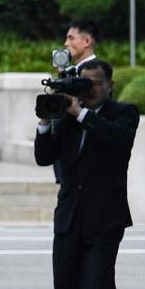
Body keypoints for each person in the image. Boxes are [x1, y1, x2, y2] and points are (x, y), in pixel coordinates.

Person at [34, 59, 139, 289]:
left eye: (94, 83)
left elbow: (116, 140)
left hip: (105, 215)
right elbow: (44, 158)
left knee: (99, 285)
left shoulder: (124, 113)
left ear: (110, 85)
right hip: (69, 214)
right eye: (84, 83)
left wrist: (80, 112)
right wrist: (44, 122)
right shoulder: (67, 116)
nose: (89, 89)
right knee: (63, 286)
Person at [54, 20, 100, 183]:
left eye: (71, 38)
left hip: (84, 162)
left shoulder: (97, 72)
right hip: (68, 160)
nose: (66, 43)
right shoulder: (73, 72)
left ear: (86, 41)